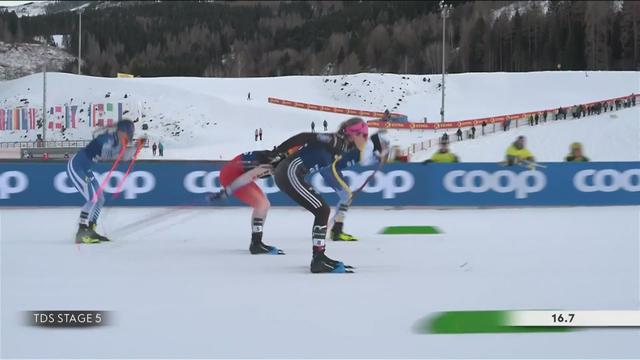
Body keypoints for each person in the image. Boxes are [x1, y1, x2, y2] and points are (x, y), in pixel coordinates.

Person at [271, 117, 368, 273]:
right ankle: (318, 259)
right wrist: (276, 152)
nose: (365, 139)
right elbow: (303, 136)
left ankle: (319, 257)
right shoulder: (336, 140)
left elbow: (327, 170)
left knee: (322, 210)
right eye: (363, 135)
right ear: (353, 134)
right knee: (322, 210)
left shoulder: (341, 147)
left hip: (291, 172)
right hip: (289, 172)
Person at [67, 119, 144, 244]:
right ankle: (81, 231)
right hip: (76, 166)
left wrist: (135, 148)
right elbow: (107, 154)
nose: (129, 137)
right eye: (127, 134)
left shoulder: (119, 142)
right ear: (121, 132)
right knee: (92, 198)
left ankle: (91, 229)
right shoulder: (107, 138)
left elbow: (123, 157)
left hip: (86, 168)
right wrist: (127, 148)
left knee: (100, 198)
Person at [209, 150, 288, 255]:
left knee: (264, 204)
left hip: (236, 171)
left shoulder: (273, 158)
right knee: (262, 205)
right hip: (233, 177)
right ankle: (256, 244)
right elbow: (244, 179)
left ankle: (256, 241)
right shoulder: (267, 165)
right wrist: (227, 192)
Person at [322, 131, 389, 242]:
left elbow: (366, 160)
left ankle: (335, 228)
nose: (385, 146)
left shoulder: (369, 146)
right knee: (347, 196)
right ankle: (336, 231)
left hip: (332, 169)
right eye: (384, 144)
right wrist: (380, 155)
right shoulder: (369, 145)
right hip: (330, 169)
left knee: (346, 197)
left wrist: (378, 157)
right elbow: (364, 161)